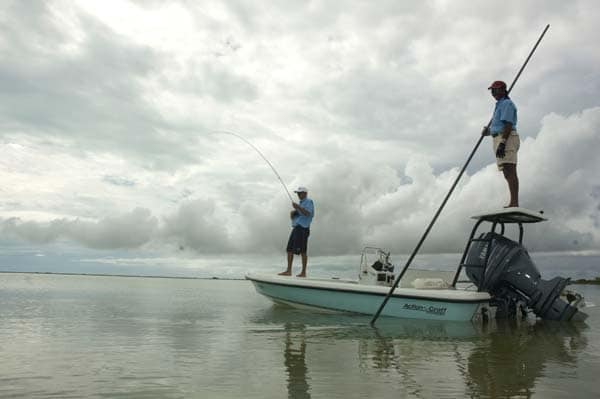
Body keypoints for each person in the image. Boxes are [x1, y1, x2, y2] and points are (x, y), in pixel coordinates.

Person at [482, 80, 520, 207]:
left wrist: (503, 143)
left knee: (510, 168)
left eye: (496, 90)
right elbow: (498, 126)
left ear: (503, 90)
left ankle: (514, 202)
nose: (493, 92)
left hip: (507, 138)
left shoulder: (507, 104)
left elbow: (508, 124)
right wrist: (488, 131)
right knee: (506, 172)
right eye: (492, 90)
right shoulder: (499, 105)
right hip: (499, 137)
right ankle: (513, 202)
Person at [279, 186, 314, 277]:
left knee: (303, 251)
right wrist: (293, 213)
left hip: (303, 229)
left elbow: (308, 213)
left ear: (305, 193)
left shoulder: (309, 201)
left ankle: (303, 272)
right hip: (296, 228)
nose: (298, 194)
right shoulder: (301, 204)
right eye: (297, 193)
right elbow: (296, 217)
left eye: (300, 193)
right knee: (289, 249)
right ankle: (288, 271)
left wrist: (297, 207)